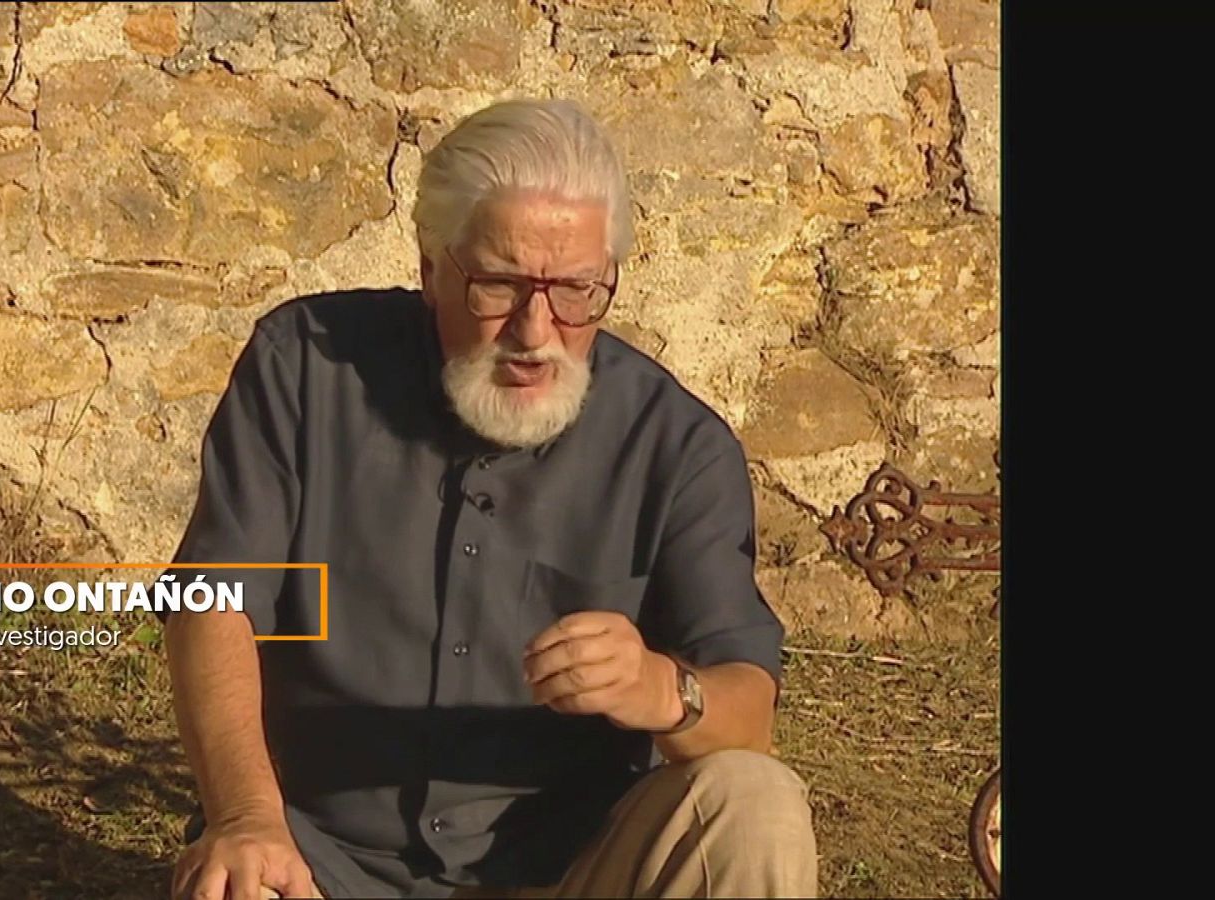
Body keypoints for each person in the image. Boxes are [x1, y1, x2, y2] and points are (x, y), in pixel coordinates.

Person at [161, 98, 818, 900]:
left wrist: (660, 689)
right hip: (321, 864)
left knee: (757, 804)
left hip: (573, 870)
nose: (537, 331)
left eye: (577, 290)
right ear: (432, 266)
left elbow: (750, 716)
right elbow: (214, 600)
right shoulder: (303, 369)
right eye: (500, 286)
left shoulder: (677, 447)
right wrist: (247, 817)